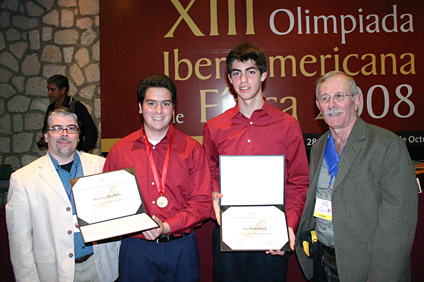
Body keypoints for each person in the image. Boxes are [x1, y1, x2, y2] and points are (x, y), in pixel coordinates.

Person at [295, 71, 418, 282]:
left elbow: (398, 228)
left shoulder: (386, 145)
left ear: (357, 100)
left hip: (367, 269)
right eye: (325, 98)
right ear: (319, 105)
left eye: (340, 96)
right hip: (323, 263)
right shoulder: (319, 147)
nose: (332, 104)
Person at [202, 43, 309, 281]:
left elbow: (299, 181)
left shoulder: (288, 125)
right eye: (236, 73)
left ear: (263, 75)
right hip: (229, 234)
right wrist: (213, 195)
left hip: (271, 236)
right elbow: (209, 173)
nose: (244, 80)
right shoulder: (214, 127)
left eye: (250, 71)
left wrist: (288, 226)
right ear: (229, 79)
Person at [104, 74, 212, 282]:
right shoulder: (120, 151)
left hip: (181, 248)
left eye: (165, 104)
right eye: (151, 103)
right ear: (140, 107)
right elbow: (108, 203)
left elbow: (202, 203)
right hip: (136, 250)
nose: (159, 111)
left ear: (174, 108)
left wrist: (166, 226)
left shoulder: (192, 149)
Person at [6, 107, 120, 282]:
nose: (64, 134)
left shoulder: (101, 166)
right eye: (57, 128)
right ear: (45, 136)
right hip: (55, 273)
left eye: (71, 128)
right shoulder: (23, 180)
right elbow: (20, 245)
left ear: (78, 136)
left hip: (100, 268)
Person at [39, 74, 98, 152]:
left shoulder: (76, 106)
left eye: (53, 90)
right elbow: (46, 129)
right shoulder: (51, 108)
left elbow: (91, 130)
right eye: (48, 89)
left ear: (63, 90)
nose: (49, 93)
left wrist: (82, 150)